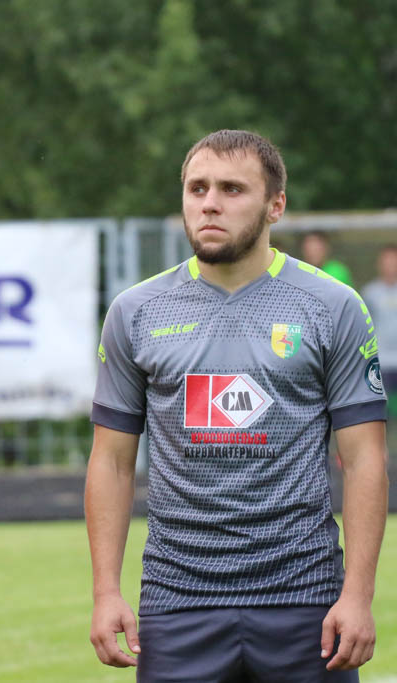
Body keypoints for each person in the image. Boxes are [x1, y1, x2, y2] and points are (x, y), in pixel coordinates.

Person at [86, 129, 388, 682]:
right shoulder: (136, 311)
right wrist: (106, 592)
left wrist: (357, 595)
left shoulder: (332, 306)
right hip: (177, 601)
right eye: (197, 188)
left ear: (276, 205)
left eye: (232, 189)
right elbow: (111, 461)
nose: (210, 203)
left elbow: (365, 458)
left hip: (306, 601)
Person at [362, 245, 397, 413]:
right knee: (380, 412)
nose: (390, 265)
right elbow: (363, 328)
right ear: (379, 264)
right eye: (386, 261)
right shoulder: (370, 292)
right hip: (381, 362)